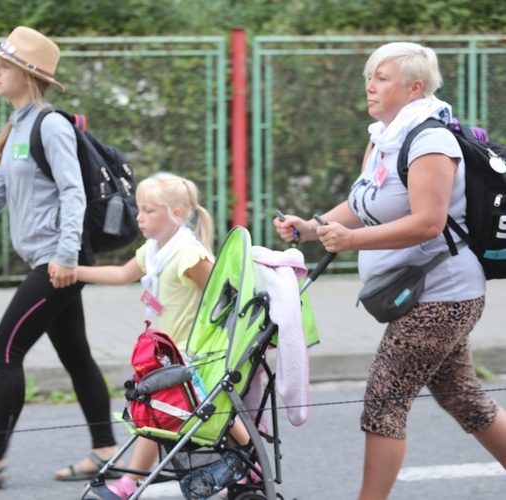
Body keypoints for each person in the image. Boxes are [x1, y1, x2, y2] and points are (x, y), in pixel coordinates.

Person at [274, 42, 506, 499]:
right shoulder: (385, 137)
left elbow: (428, 222)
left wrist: (351, 241)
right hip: (420, 293)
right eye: (369, 76)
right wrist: (313, 227)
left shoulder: (430, 141)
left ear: (414, 87)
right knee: (464, 398)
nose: (369, 85)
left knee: (384, 403)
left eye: (381, 78)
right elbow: (363, 203)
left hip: (442, 296)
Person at [0, 26, 120, 490]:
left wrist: (63, 258)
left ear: (26, 74)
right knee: (77, 357)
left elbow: (73, 193)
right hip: (50, 260)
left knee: (5, 352)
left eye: (3, 65)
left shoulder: (51, 125)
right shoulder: (18, 128)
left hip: (57, 263)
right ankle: (106, 451)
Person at [72, 172, 218, 499]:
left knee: (154, 406)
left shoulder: (188, 255)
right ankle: (131, 480)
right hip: (163, 355)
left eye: (148, 210)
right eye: (139, 208)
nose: (139, 216)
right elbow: (122, 274)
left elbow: (222, 288)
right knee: (152, 408)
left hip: (186, 354)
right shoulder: (153, 252)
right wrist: (76, 273)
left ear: (176, 215)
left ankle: (130, 482)